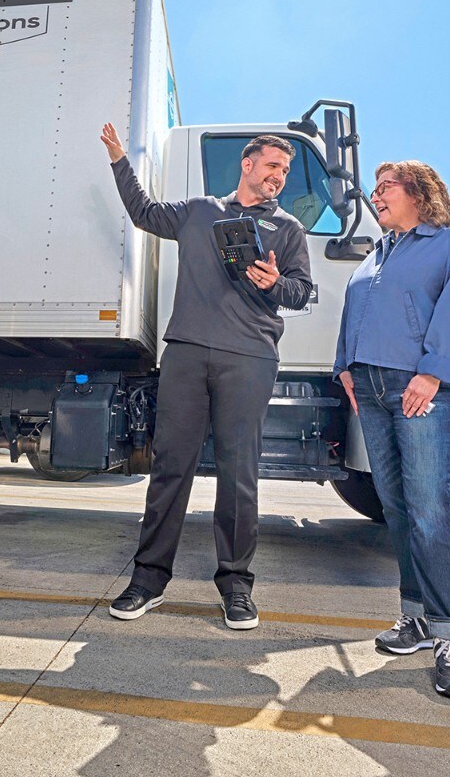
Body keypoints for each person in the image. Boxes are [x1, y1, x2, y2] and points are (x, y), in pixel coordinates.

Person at [99, 122, 312, 630]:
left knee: (239, 476)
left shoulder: (288, 230)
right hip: (188, 353)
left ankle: (236, 587)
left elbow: (302, 293)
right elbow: (144, 213)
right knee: (172, 467)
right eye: (271, 166)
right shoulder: (199, 212)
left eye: (284, 170)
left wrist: (275, 282)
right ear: (247, 165)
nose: (278, 176)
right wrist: (118, 160)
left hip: (250, 357)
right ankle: (148, 580)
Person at [333, 160, 450, 702]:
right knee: (396, 505)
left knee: (428, 507)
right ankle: (416, 618)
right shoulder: (376, 255)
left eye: (385, 188)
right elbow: (354, 315)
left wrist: (431, 372)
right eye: (375, 190)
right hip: (372, 388)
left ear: (419, 193)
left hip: (422, 387)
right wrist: (346, 368)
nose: (375, 197)